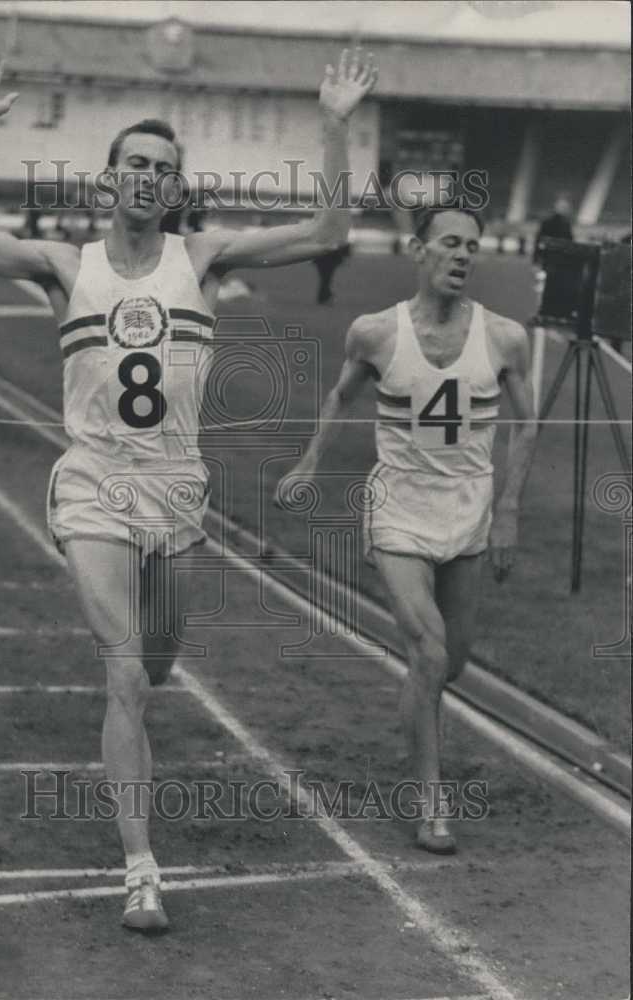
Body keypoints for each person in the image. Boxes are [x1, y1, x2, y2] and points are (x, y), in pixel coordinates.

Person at [0, 47, 377, 931]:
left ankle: (144, 704)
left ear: (175, 190)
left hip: (175, 489)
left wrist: (332, 121)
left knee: (159, 660)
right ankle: (141, 868)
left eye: (165, 170)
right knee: (123, 671)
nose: (149, 179)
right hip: (93, 482)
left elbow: (324, 232)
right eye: (136, 163)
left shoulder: (202, 256)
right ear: (109, 180)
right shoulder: (61, 263)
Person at [276, 206, 537, 855]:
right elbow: (341, 395)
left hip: (467, 512)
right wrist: (307, 463)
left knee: (448, 662)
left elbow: (526, 422)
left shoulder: (504, 338)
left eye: (471, 246)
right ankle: (430, 801)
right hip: (397, 510)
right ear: (417, 249)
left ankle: (417, 705)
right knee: (426, 651)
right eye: (449, 243)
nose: (462, 256)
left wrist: (506, 509)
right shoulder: (375, 333)